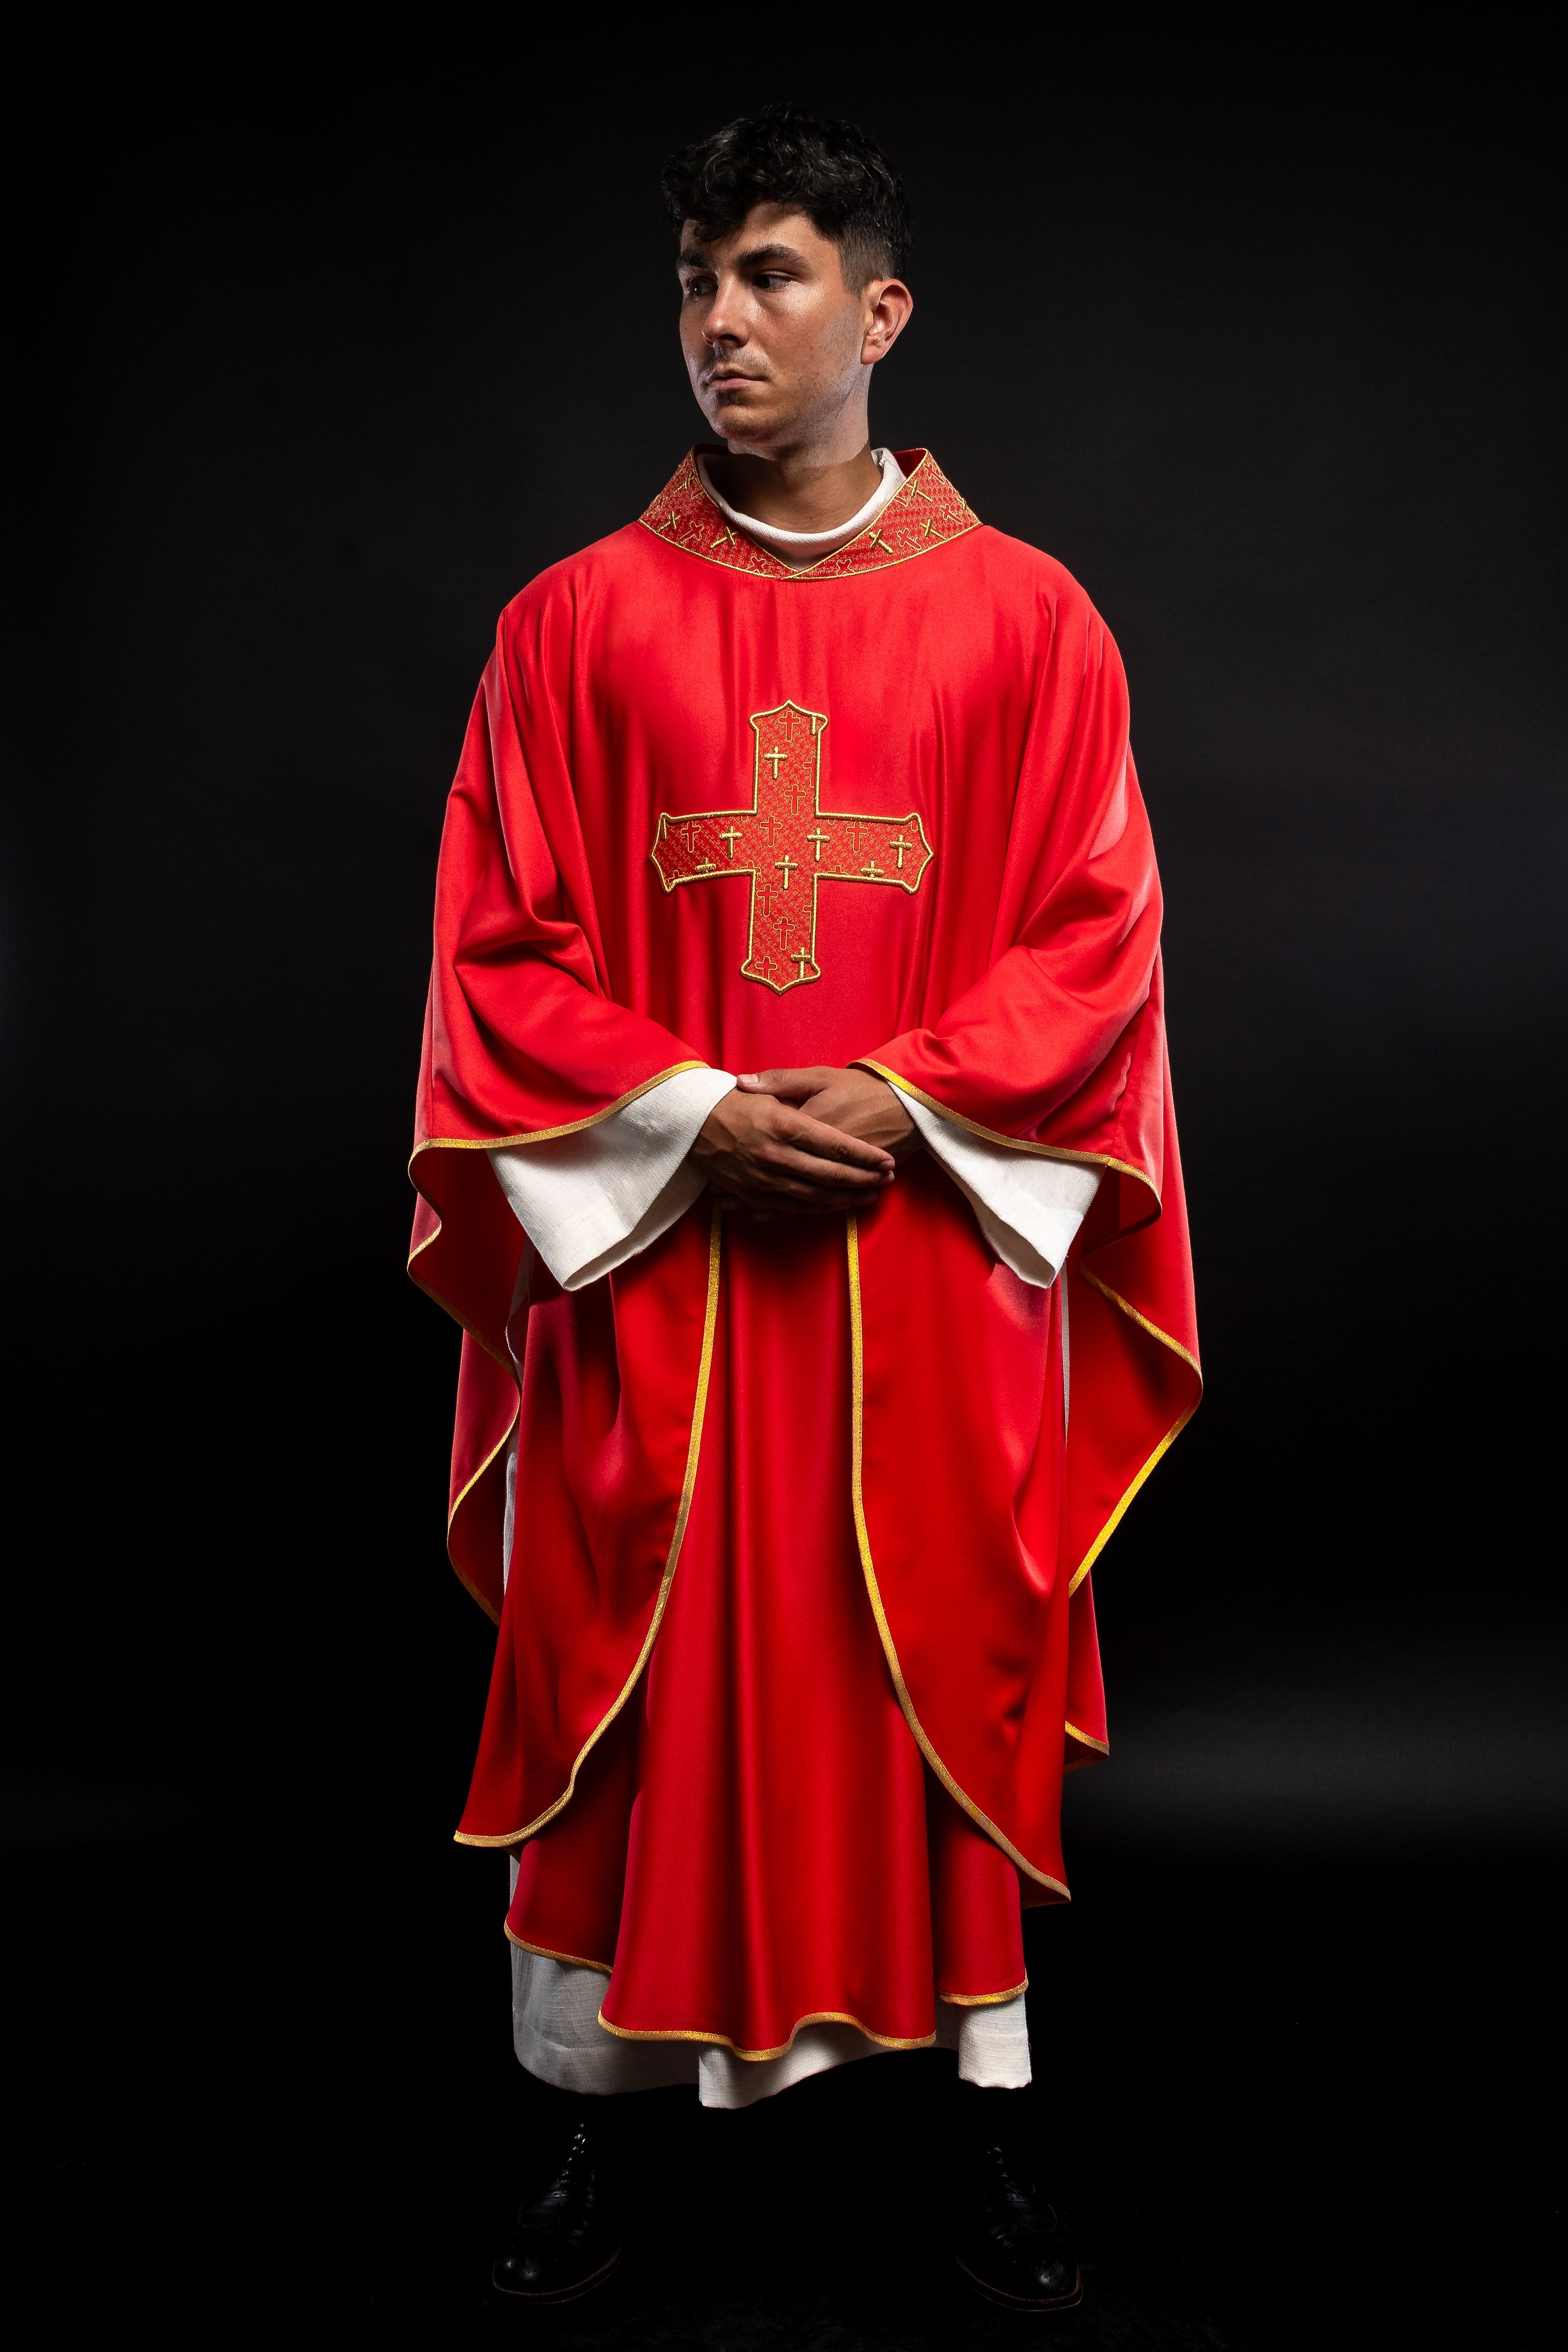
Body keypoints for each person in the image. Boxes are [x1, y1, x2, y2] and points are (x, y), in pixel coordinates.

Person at [408, 102, 1199, 2314]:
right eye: (693, 280)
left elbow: (1093, 933)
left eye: (767, 274)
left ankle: (977, 2144)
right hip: (661, 1273)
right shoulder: (571, 626)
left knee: (923, 1660)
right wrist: (686, 1110)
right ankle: (594, 2126)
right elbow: (499, 953)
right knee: (633, 1676)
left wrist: (900, 1091)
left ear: (884, 308)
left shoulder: (1032, 621)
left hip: (921, 1263)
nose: (720, 323)